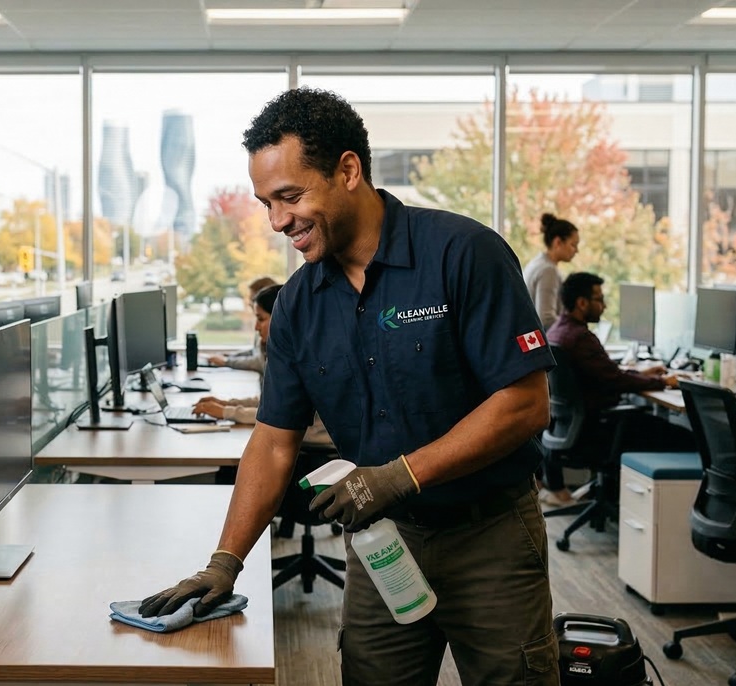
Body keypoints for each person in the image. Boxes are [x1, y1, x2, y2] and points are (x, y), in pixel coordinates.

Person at [140, 88, 558, 685]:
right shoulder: (299, 305)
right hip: (384, 543)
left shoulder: (464, 254)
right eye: (266, 203)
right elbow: (274, 440)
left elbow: (524, 404)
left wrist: (400, 474)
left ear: (348, 170)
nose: (278, 221)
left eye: (290, 196)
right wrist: (225, 562)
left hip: (489, 534)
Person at [542, 272, 678, 506]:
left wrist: (641, 374)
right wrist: (665, 382)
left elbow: (607, 373)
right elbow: (616, 381)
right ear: (582, 302)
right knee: (680, 436)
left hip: (571, 427)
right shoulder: (581, 337)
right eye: (599, 299)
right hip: (596, 430)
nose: (604, 306)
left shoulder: (557, 331)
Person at [193, 283, 332, 448]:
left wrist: (226, 412)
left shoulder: (309, 361)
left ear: (282, 316)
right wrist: (227, 403)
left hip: (314, 450)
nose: (256, 327)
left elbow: (277, 416)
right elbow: (274, 402)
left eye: (261, 319)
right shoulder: (292, 353)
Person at [206, 275, 278, 372]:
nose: (249, 303)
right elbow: (255, 353)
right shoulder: (264, 328)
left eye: (252, 299)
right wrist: (230, 356)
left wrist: (227, 361)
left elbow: (259, 362)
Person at [523, 212, 579, 330]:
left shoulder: (537, 263)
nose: (576, 250)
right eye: (573, 245)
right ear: (558, 242)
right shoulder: (548, 271)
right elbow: (546, 319)